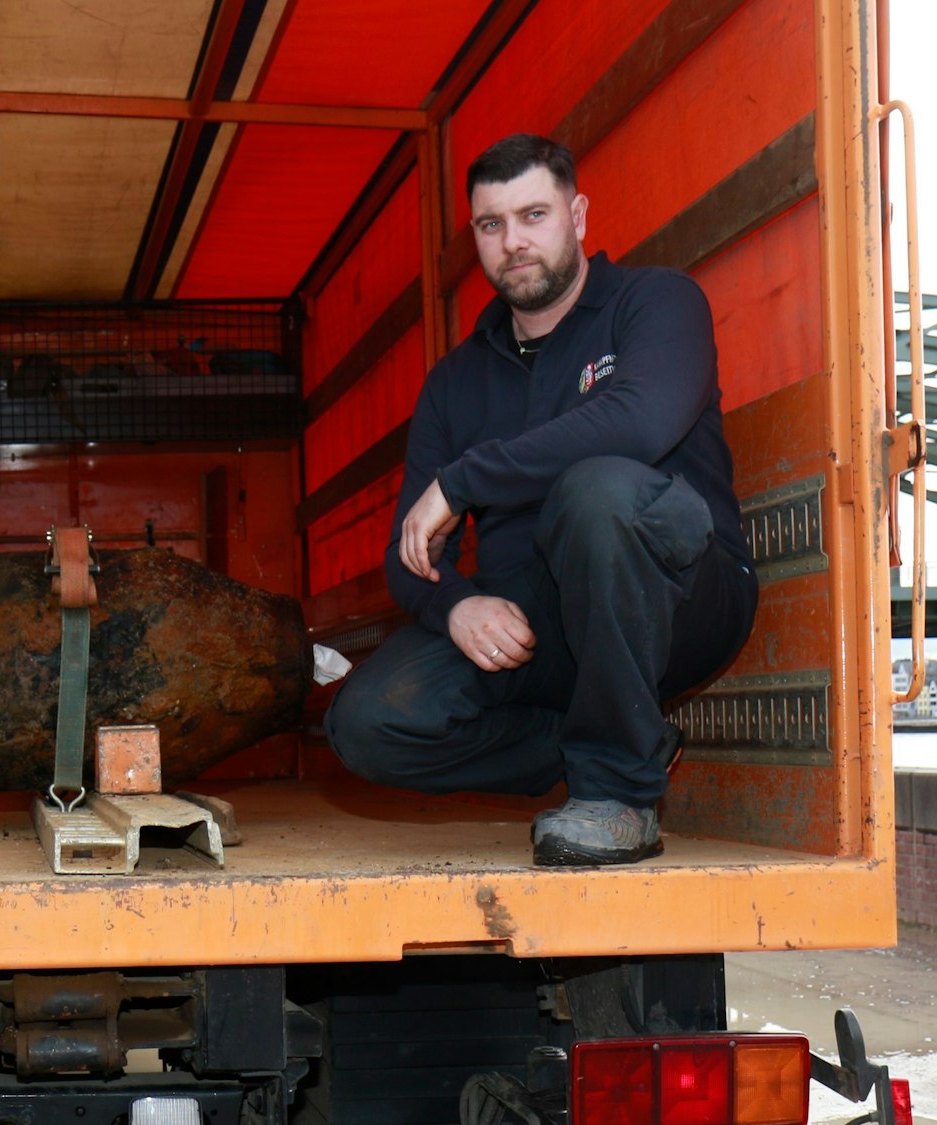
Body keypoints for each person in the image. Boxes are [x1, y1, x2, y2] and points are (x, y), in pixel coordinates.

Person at [324, 134, 758, 867]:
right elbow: (411, 549)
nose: (513, 242)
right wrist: (456, 605)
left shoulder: (655, 302)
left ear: (577, 216)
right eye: (492, 225)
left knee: (597, 488)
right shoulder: (455, 381)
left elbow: (641, 421)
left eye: (534, 215)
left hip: (678, 598)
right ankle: (616, 736)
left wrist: (464, 481)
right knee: (367, 721)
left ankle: (618, 795)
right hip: (543, 628)